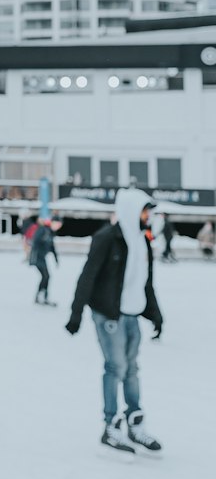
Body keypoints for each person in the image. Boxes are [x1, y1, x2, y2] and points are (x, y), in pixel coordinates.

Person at [65, 188, 163, 456]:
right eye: (144, 211)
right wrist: (76, 313)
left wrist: (155, 314)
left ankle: (135, 422)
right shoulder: (107, 238)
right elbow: (88, 276)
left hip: (131, 314)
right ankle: (111, 425)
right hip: (108, 314)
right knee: (116, 366)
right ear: (133, 211)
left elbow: (146, 283)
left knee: (131, 369)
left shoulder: (142, 242)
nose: (148, 216)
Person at [30, 218, 60, 305]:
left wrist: (56, 259)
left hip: (42, 258)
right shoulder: (43, 230)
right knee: (45, 276)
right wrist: (32, 257)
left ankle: (42, 296)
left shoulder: (50, 232)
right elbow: (35, 241)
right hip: (37, 257)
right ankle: (41, 296)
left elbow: (52, 247)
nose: (57, 226)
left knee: (46, 276)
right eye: (56, 224)